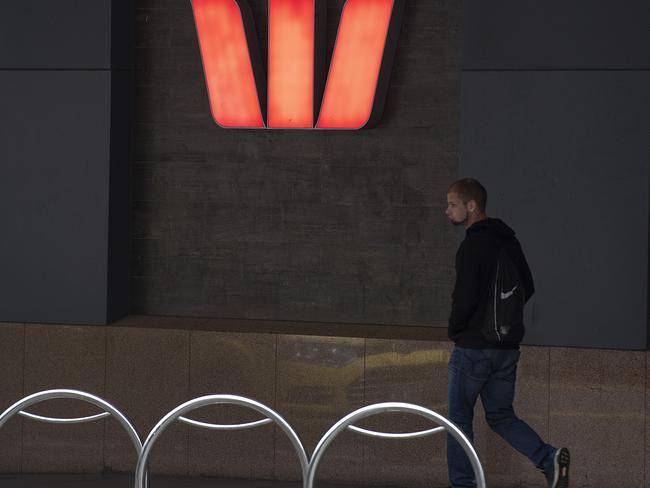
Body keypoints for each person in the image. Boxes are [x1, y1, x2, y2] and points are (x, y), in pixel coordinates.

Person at [445, 178, 570, 488]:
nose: (446, 210)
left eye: (452, 204)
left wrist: (458, 329)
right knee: (501, 415)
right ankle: (547, 459)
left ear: (471, 206)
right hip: (507, 346)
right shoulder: (509, 241)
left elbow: (465, 297)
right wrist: (502, 323)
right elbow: (527, 286)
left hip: (473, 348)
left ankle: (462, 484)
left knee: (459, 421)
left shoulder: (472, 245)